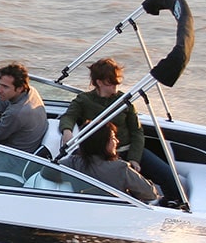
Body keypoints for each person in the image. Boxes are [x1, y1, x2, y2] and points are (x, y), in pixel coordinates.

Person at [58, 57, 181, 202]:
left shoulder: (124, 101)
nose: (115, 87)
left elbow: (137, 131)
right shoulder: (84, 100)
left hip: (127, 149)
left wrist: (134, 158)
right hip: (101, 155)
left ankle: (174, 203)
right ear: (99, 82)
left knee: (169, 176)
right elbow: (68, 116)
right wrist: (67, 130)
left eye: (117, 82)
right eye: (111, 83)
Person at [60, 122, 160, 202]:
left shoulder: (72, 163)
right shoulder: (120, 169)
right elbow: (150, 194)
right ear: (102, 143)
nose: (117, 141)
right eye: (113, 138)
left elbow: (51, 172)